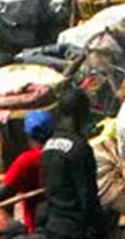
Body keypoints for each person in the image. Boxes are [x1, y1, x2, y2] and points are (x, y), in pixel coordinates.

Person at [38, 88, 105, 239]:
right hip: (75, 229)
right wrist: (101, 229)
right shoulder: (80, 148)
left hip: (53, 225)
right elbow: (87, 195)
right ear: (81, 112)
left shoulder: (48, 146)